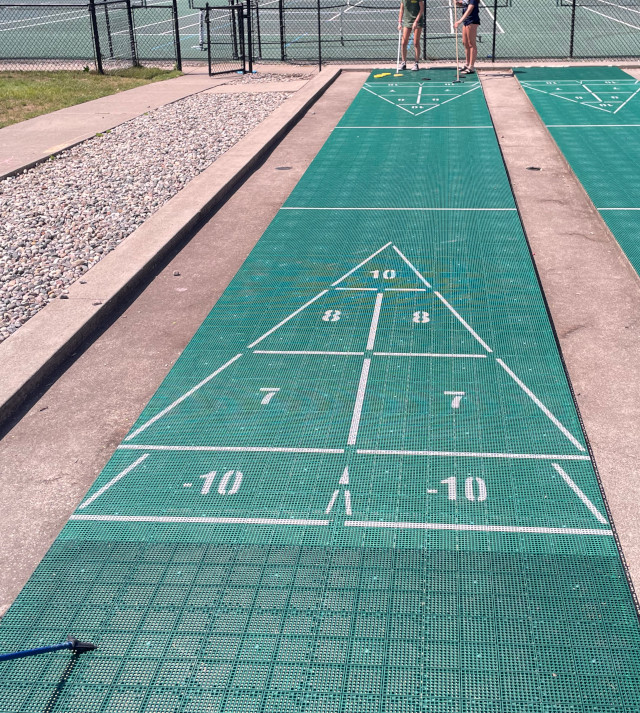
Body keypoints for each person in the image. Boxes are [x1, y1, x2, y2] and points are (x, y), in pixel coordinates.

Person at [397, 0, 425, 71]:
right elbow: (401, 10)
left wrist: (416, 21)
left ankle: (416, 63)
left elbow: (422, 9)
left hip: (417, 21)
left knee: (416, 42)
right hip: (407, 21)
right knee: (403, 43)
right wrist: (400, 22)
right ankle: (403, 62)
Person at [454, 0, 479, 74]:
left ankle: (471, 66)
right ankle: (467, 64)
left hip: (472, 21)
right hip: (466, 21)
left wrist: (459, 21)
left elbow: (469, 9)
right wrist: (457, 2)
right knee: (465, 43)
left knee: (471, 44)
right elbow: (463, 4)